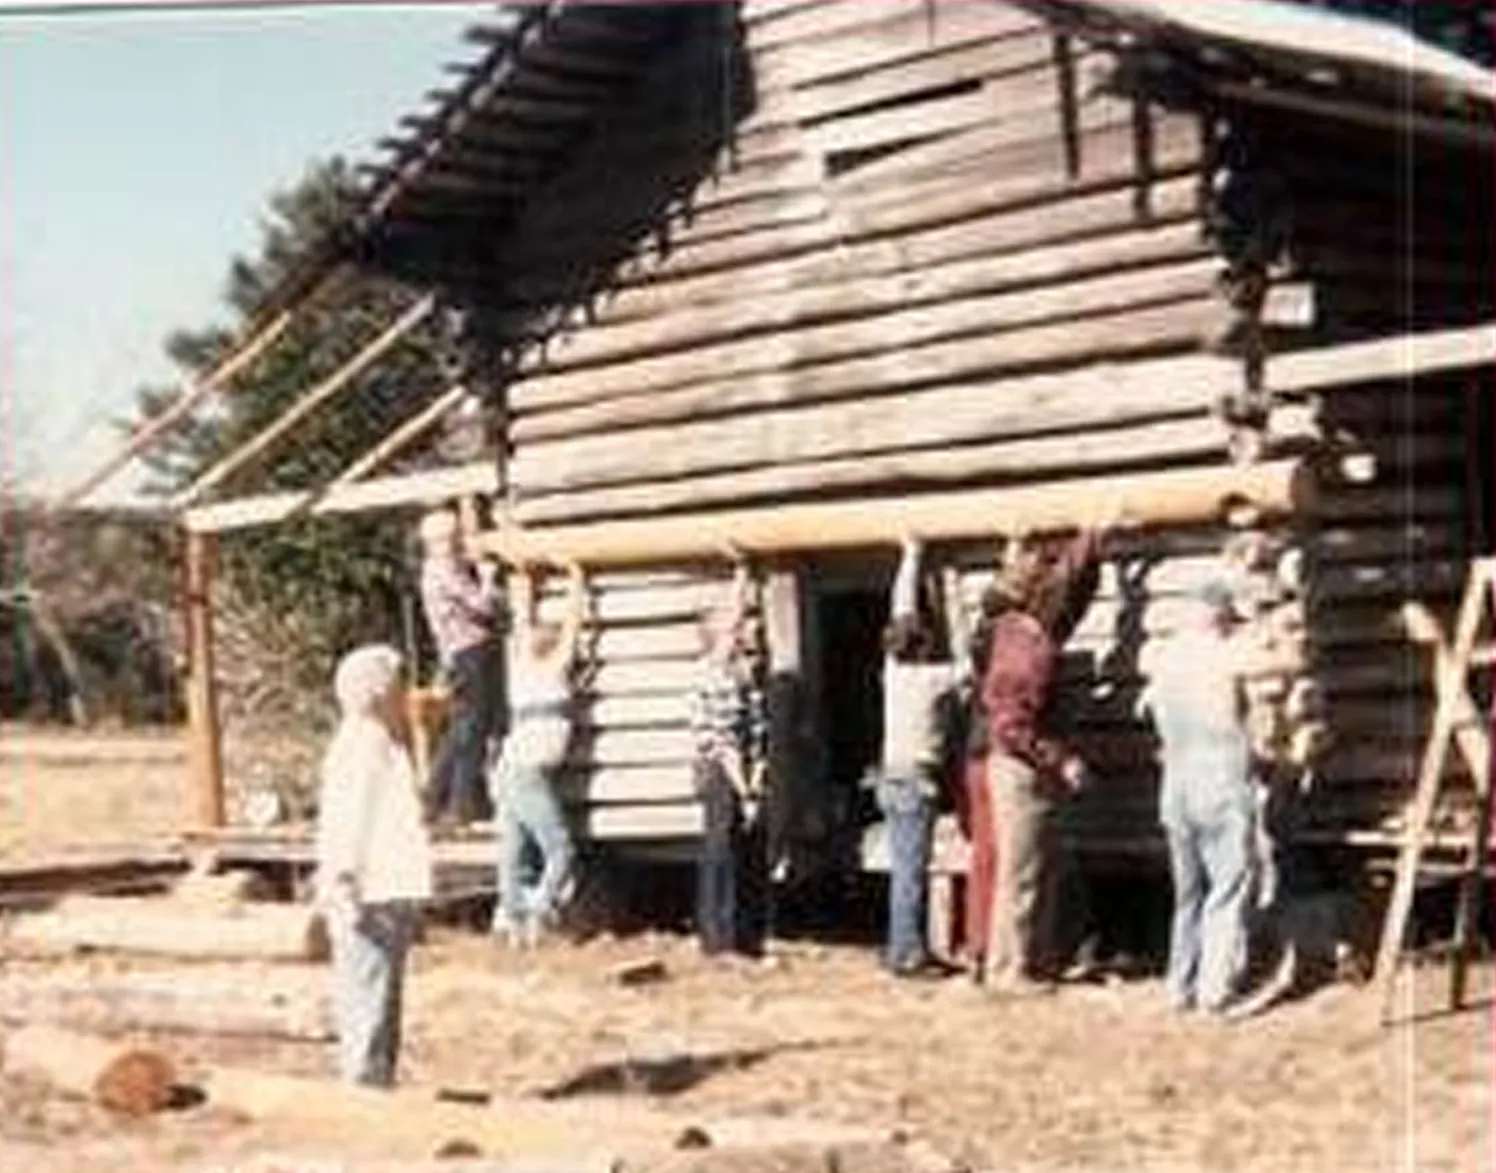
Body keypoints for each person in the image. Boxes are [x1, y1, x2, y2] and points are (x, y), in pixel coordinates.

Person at [980, 525, 1106, 993]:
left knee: (1039, 867)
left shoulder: (1028, 631)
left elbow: (1072, 590)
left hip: (1029, 767)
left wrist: (1094, 538)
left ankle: (1030, 961)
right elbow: (1011, 726)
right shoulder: (1024, 647)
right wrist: (1061, 760)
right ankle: (1008, 970)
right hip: (1020, 769)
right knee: (1022, 871)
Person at [314, 644, 432, 1087]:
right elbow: (349, 815)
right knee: (367, 992)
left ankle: (377, 1080)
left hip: (385, 886)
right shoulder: (363, 744)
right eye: (399, 686)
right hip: (368, 889)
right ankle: (364, 1085)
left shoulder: (380, 741)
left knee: (381, 994)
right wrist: (344, 876)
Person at [1138, 577, 1256, 1015]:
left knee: (1187, 893)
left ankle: (1178, 984)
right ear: (1223, 620)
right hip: (1220, 780)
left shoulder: (1165, 659)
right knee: (1228, 886)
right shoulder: (1227, 657)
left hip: (1176, 785)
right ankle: (1214, 990)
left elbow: (1149, 713)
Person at [878, 536, 963, 977]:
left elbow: (900, 608)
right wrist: (954, 595)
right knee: (911, 870)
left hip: (893, 778)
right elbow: (970, 662)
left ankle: (904, 945)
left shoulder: (892, 674)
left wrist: (909, 557)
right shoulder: (934, 679)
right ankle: (906, 953)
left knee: (904, 868)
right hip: (915, 781)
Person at [490, 562, 587, 946]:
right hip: (525, 771)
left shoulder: (536, 667)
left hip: (517, 770)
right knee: (559, 847)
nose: (537, 632)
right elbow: (556, 622)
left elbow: (558, 623)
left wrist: (567, 581)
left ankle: (513, 920)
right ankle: (538, 912)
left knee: (515, 850)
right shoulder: (538, 667)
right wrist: (573, 580)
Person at [689, 559, 769, 958]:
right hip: (722, 772)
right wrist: (746, 789)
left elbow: (751, 733)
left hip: (740, 772)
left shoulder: (738, 674)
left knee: (741, 851)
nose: (740, 633)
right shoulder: (714, 675)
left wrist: (741, 579)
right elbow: (724, 742)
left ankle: (740, 937)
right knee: (720, 852)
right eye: (730, 630)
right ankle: (718, 940)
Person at [418, 507, 503, 825]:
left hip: (460, 654)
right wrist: (489, 578)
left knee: (463, 728)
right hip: (470, 652)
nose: (457, 544)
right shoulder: (443, 570)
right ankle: (458, 804)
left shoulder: (437, 568)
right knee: (470, 729)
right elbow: (482, 605)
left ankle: (438, 799)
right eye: (453, 538)